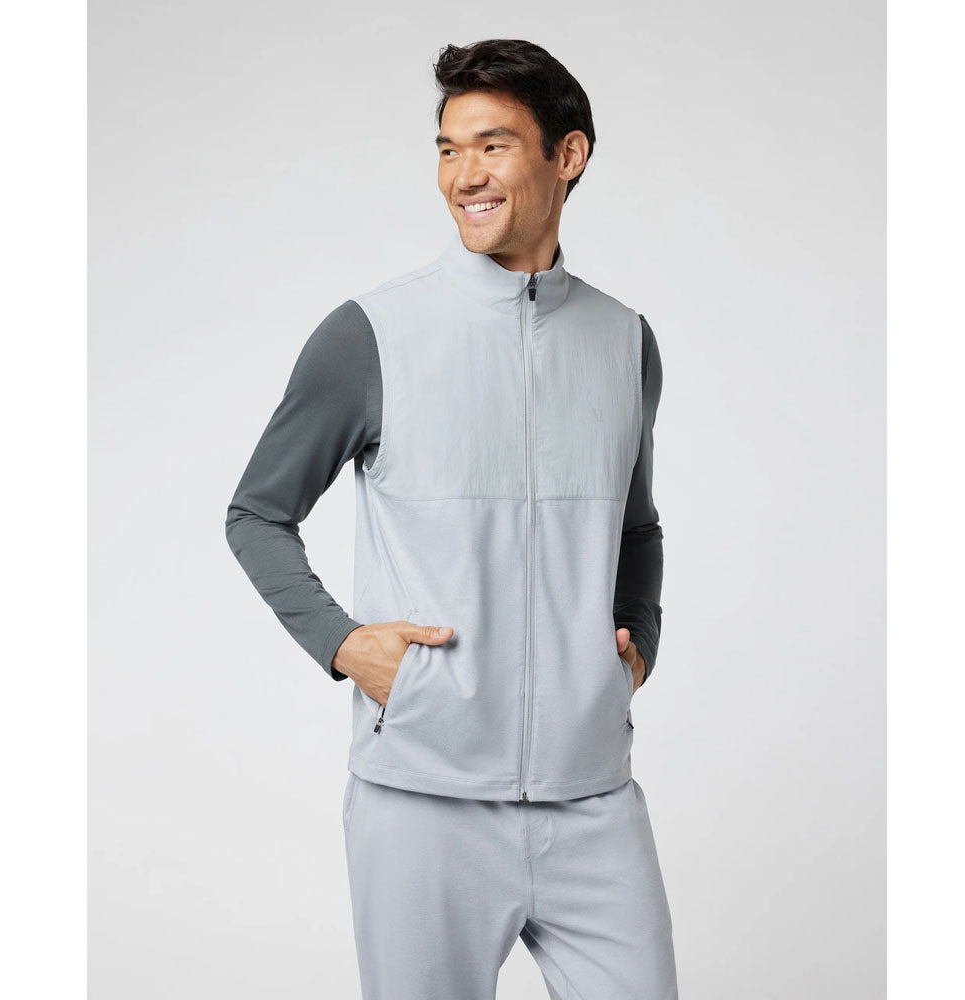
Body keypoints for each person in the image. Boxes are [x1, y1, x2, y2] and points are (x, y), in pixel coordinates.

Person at [225, 37, 679, 1000]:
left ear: (567, 155)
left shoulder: (624, 340)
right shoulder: (371, 334)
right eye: (447, 149)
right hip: (422, 800)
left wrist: (636, 640)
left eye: (492, 145)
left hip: (591, 796)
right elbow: (257, 513)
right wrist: (346, 646)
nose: (463, 176)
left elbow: (635, 526)